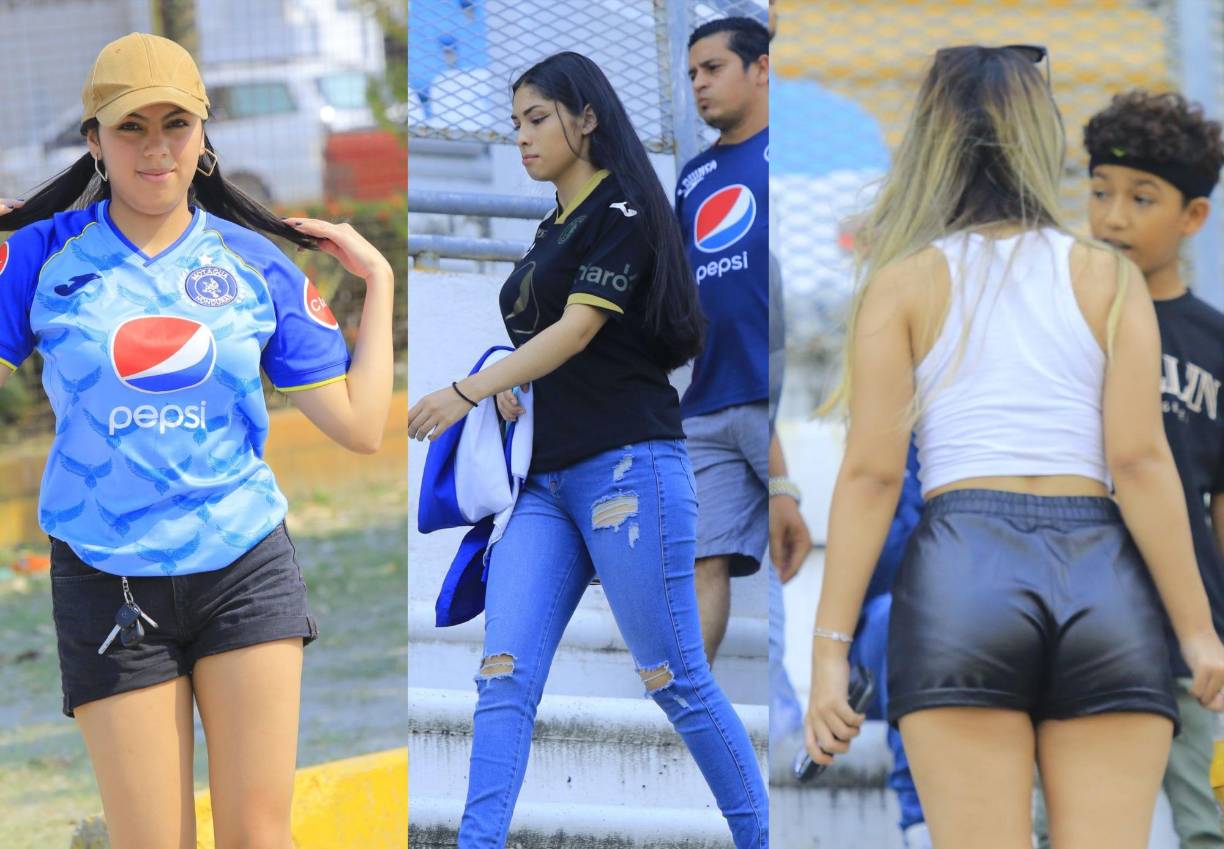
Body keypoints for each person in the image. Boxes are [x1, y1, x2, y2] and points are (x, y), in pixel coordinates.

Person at [804, 44, 1224, 849]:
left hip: (964, 572)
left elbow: (870, 476)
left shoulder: (904, 282)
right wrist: (1199, 629)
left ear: (930, 139)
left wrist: (829, 652)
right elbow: (1140, 463)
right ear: (1043, 136)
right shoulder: (1109, 278)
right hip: (1104, 573)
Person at [0, 33, 394, 849]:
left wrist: (381, 283)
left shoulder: (254, 262)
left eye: (175, 124)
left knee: (258, 838)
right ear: (94, 143)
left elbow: (359, 425)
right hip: (107, 576)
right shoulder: (40, 256)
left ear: (204, 136)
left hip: (243, 566)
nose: (156, 148)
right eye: (130, 127)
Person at [406, 51, 767, 848]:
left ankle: (757, 835)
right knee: (502, 679)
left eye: (538, 120)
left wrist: (467, 389)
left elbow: (577, 329)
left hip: (629, 469)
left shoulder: (629, 212)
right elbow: (552, 342)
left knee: (674, 679)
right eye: (516, 126)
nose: (525, 138)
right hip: (543, 487)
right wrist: (511, 386)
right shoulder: (552, 225)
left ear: (587, 116)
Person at [1032, 89, 1224, 849]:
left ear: (1193, 216)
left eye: (1142, 198)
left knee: (1207, 822)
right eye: (1101, 190)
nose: (1112, 217)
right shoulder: (1057, 314)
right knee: (1061, 823)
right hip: (1074, 608)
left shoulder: (1213, 342)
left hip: (1192, 630)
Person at [675, 16, 772, 665]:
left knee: (818, 541)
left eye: (713, 69)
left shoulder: (800, 153)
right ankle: (688, 713)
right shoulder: (691, 178)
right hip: (708, 400)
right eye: (691, 75)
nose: (699, 85)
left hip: (782, 394)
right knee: (699, 555)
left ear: (761, 68)